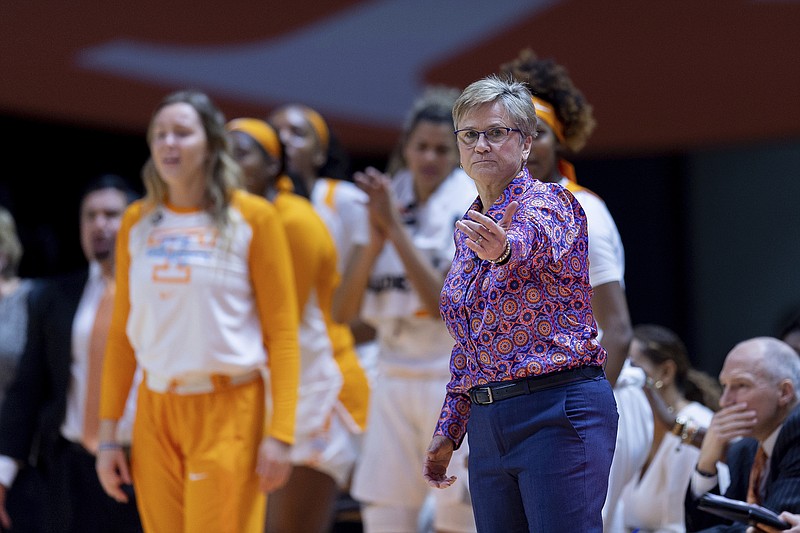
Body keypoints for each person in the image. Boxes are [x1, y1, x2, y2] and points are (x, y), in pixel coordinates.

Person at [95, 90, 301, 533]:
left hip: (229, 408)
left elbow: (282, 334)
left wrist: (281, 435)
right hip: (155, 410)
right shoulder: (138, 220)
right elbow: (122, 334)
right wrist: (108, 434)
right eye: (160, 134)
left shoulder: (254, 218)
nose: (169, 143)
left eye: (182, 133)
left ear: (209, 143)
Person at [422, 75, 618, 532]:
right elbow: (470, 344)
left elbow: (532, 239)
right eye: (469, 135)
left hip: (556, 409)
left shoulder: (552, 202)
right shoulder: (470, 228)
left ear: (526, 143)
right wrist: (451, 427)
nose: (481, 145)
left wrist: (505, 249)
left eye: (496, 133)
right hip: (490, 420)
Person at [499, 49, 647, 532]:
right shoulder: (494, 216)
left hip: (580, 406)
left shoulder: (584, 211)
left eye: (537, 133)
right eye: (511, 133)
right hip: (526, 409)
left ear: (559, 143)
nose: (524, 145)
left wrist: (582, 421)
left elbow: (618, 331)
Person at [339, 88, 477, 533]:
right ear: (405, 148)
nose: (430, 157)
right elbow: (342, 312)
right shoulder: (387, 197)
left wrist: (394, 231)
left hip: (450, 375)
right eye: (421, 146)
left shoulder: (469, 203)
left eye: (442, 148)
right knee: (383, 516)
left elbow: (443, 306)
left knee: (458, 516)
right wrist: (374, 241)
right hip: (392, 374)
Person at [226, 117, 367, 533]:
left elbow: (277, 323)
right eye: (223, 156)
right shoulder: (238, 218)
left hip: (314, 389)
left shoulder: (294, 220)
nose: (230, 166)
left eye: (242, 154)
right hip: (273, 390)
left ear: (274, 167)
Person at [0, 175, 142, 533]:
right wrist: (2, 473)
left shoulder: (159, 293)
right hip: (68, 465)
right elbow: (27, 388)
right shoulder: (54, 296)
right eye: (89, 215)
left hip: (140, 463)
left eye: (111, 214)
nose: (99, 225)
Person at [684, 337, 800, 532]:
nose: (724, 401)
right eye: (725, 386)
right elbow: (709, 526)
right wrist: (706, 464)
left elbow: (773, 526)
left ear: (784, 392)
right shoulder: (744, 449)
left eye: (741, 385)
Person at [621, 324, 724, 533]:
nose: (623, 379)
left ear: (666, 372)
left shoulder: (696, 423)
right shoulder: (634, 425)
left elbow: (682, 526)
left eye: (632, 367)